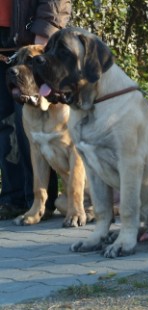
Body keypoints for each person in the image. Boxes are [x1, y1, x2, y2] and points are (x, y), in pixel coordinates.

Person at [0, 0, 72, 220]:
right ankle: (13, 200)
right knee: (5, 126)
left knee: (30, 130)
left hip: (29, 43)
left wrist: (42, 39)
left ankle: (40, 203)